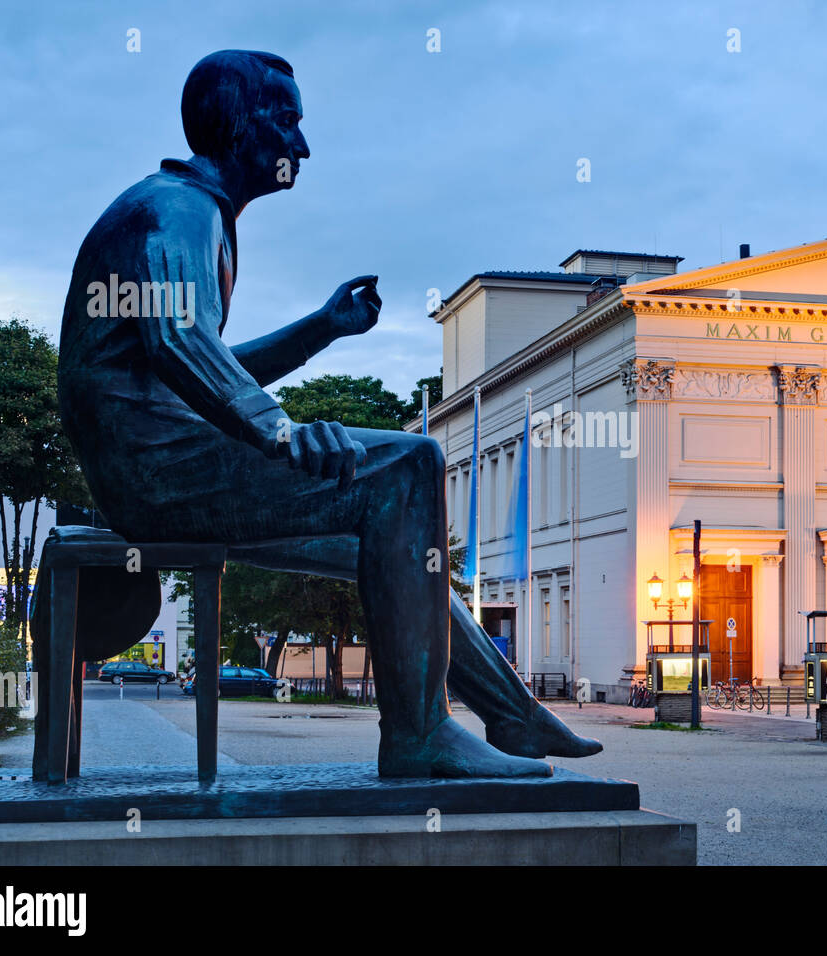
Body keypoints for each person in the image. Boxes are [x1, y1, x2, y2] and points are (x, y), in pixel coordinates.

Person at [57, 50, 600, 778]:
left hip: (165, 464)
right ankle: (418, 738)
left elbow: (198, 363)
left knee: (394, 552)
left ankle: (512, 714)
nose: (300, 146)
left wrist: (322, 327)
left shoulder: (195, 214)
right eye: (286, 123)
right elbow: (180, 341)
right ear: (238, 125)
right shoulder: (174, 211)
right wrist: (279, 430)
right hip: (155, 475)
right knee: (412, 465)